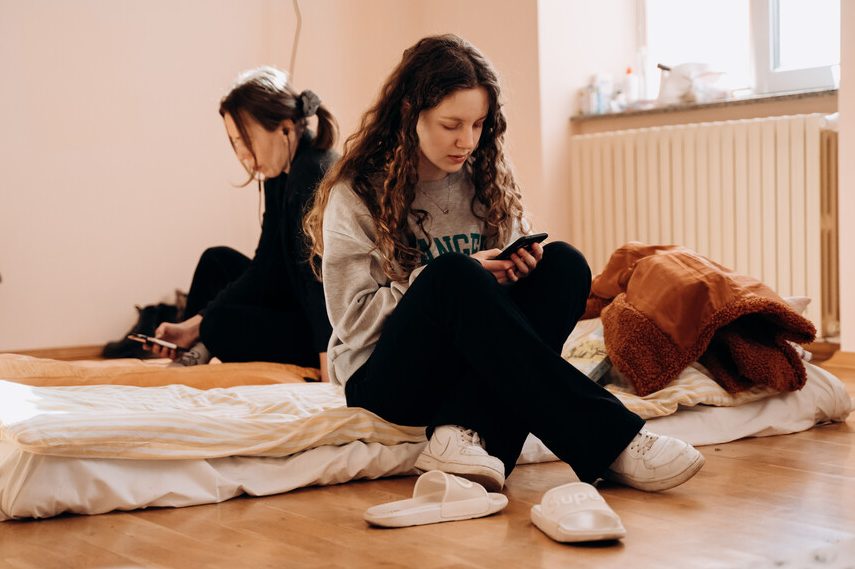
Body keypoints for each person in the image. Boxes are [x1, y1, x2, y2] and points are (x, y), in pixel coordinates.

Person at [304, 35, 704, 490]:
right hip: (386, 379)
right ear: (409, 113)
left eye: (477, 125)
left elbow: (500, 315)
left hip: (473, 364)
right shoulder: (355, 193)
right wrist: (443, 279)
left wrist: (516, 272)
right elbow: (354, 322)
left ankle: (461, 432)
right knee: (453, 273)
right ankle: (612, 441)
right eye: (451, 124)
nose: (466, 141)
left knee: (565, 264)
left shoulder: (483, 180)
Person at [151, 66, 338, 380]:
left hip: (318, 327)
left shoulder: (312, 174)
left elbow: (319, 281)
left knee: (220, 323)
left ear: (285, 128)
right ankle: (195, 347)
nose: (241, 153)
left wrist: (327, 371)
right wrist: (192, 324)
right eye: (235, 141)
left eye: (246, 139)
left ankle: (201, 345)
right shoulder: (280, 173)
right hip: (292, 301)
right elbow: (265, 266)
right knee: (216, 261)